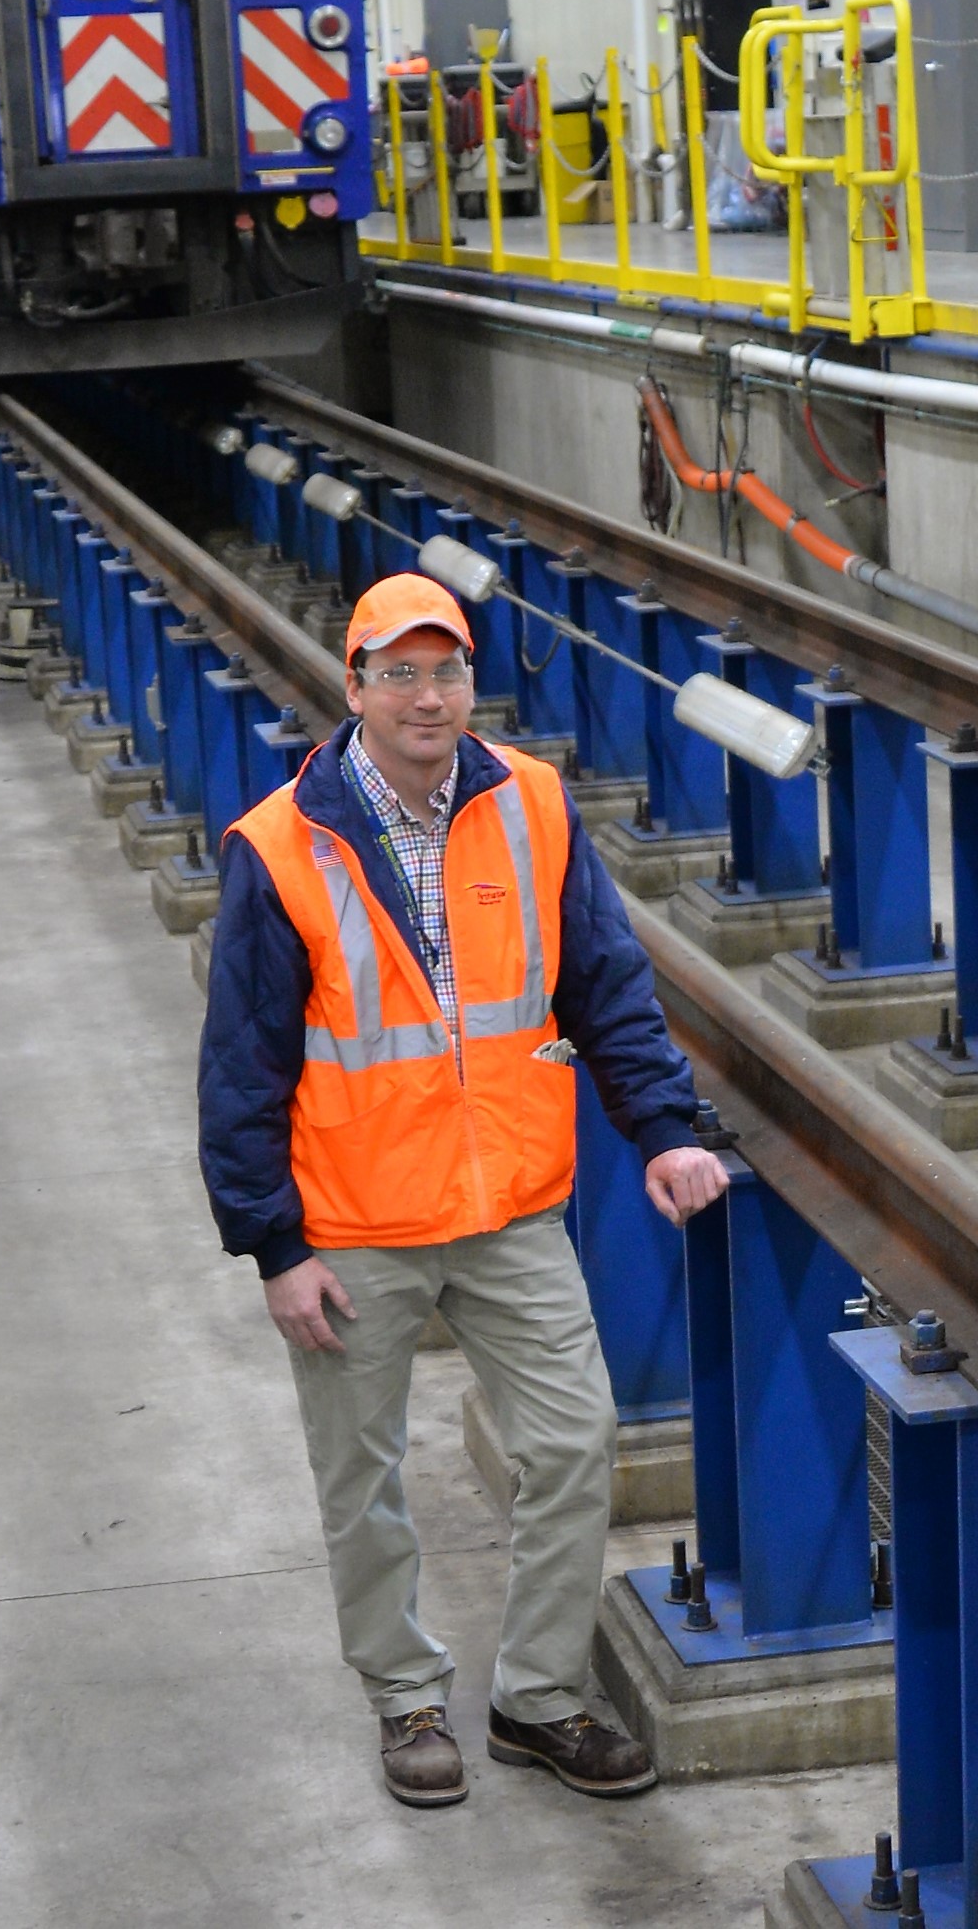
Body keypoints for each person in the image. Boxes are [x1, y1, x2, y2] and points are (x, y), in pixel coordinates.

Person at [201, 571, 724, 1811]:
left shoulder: (530, 805)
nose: (426, 696)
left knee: (574, 1439)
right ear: (355, 686)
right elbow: (240, 1064)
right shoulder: (281, 847)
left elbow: (602, 981)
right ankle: (404, 1698)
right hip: (354, 1226)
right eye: (399, 673)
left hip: (507, 1212)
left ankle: (536, 1700)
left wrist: (658, 1127)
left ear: (467, 685)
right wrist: (273, 1245)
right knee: (362, 1480)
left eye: (446, 672)